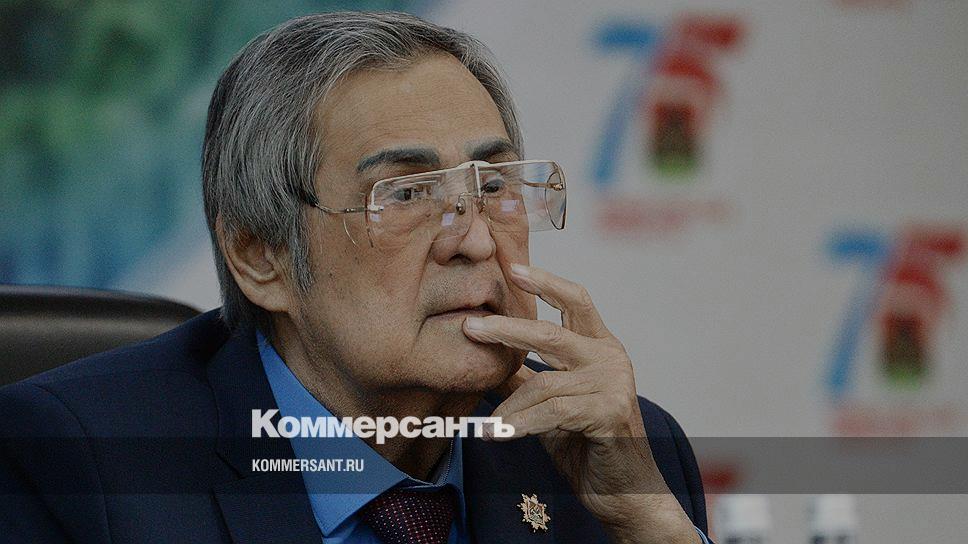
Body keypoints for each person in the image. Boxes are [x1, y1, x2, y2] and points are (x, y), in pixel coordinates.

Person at [0, 12, 711, 543]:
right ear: (259, 255)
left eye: (494, 185)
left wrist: (654, 527)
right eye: (407, 194)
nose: (474, 240)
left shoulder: (616, 451)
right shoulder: (80, 470)